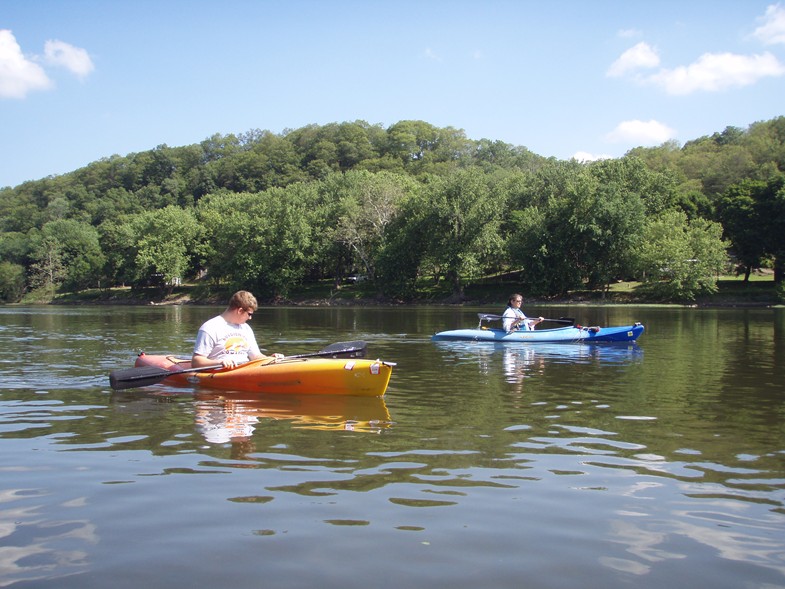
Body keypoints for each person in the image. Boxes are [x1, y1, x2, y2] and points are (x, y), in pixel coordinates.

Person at [191, 290, 282, 369]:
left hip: (244, 371)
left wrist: (270, 359)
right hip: (221, 372)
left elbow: (255, 356)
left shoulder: (246, 328)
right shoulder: (210, 327)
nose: (250, 318)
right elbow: (196, 362)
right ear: (240, 311)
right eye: (249, 314)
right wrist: (219, 362)